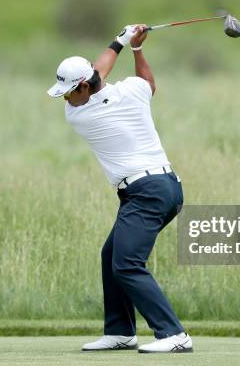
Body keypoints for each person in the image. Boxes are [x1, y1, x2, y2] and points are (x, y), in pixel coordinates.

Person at [47, 25, 192, 353]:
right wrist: (134, 47)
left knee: (126, 263)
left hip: (147, 192)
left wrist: (121, 42)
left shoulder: (79, 114)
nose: (66, 99)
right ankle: (120, 331)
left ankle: (174, 335)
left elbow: (101, 68)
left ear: (83, 87)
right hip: (164, 187)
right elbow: (146, 83)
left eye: (69, 91)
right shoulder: (131, 90)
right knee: (111, 255)